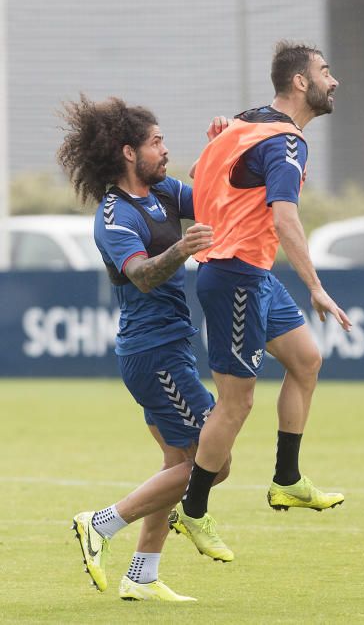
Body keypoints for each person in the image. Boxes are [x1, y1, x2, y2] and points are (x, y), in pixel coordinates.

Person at [167, 41, 350, 554]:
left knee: (307, 359)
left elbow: (209, 173)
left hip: (251, 273)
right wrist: (316, 286)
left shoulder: (248, 122)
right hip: (234, 278)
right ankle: (194, 509)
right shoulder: (286, 142)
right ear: (300, 82)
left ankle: (287, 479)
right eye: (325, 71)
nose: (333, 82)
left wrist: (218, 137)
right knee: (236, 402)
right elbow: (283, 214)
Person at [57, 95, 232, 602]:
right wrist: (182, 249)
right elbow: (141, 275)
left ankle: (142, 574)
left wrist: (220, 149)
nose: (165, 150)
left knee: (176, 463)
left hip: (168, 347)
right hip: (154, 354)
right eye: (157, 142)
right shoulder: (114, 215)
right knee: (212, 464)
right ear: (128, 152)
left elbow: (215, 197)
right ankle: (100, 523)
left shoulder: (165, 193)